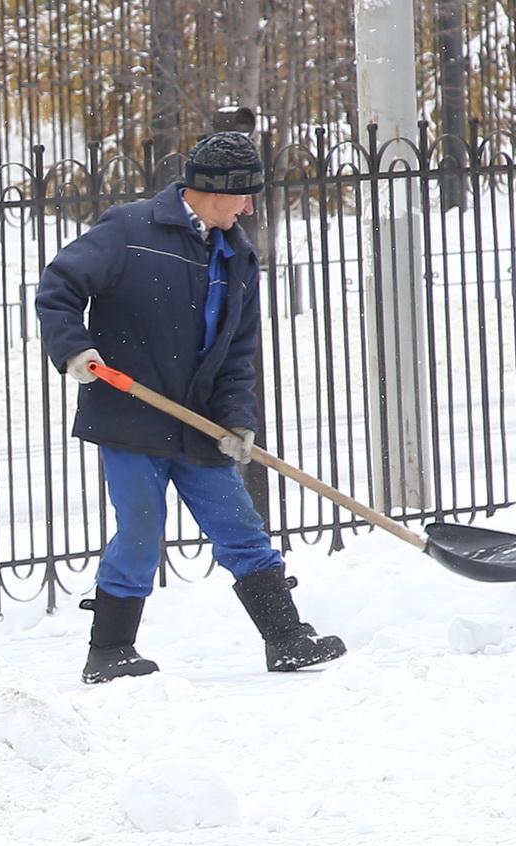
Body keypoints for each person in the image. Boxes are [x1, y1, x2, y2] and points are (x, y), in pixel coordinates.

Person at [36, 132, 344, 684]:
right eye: (244, 195)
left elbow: (237, 353)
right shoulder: (130, 230)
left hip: (200, 422)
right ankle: (109, 651)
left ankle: (287, 637)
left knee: (240, 525)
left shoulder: (238, 255)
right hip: (130, 411)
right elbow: (58, 287)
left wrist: (238, 420)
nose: (250, 207)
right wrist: (75, 349)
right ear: (212, 190)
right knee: (140, 528)